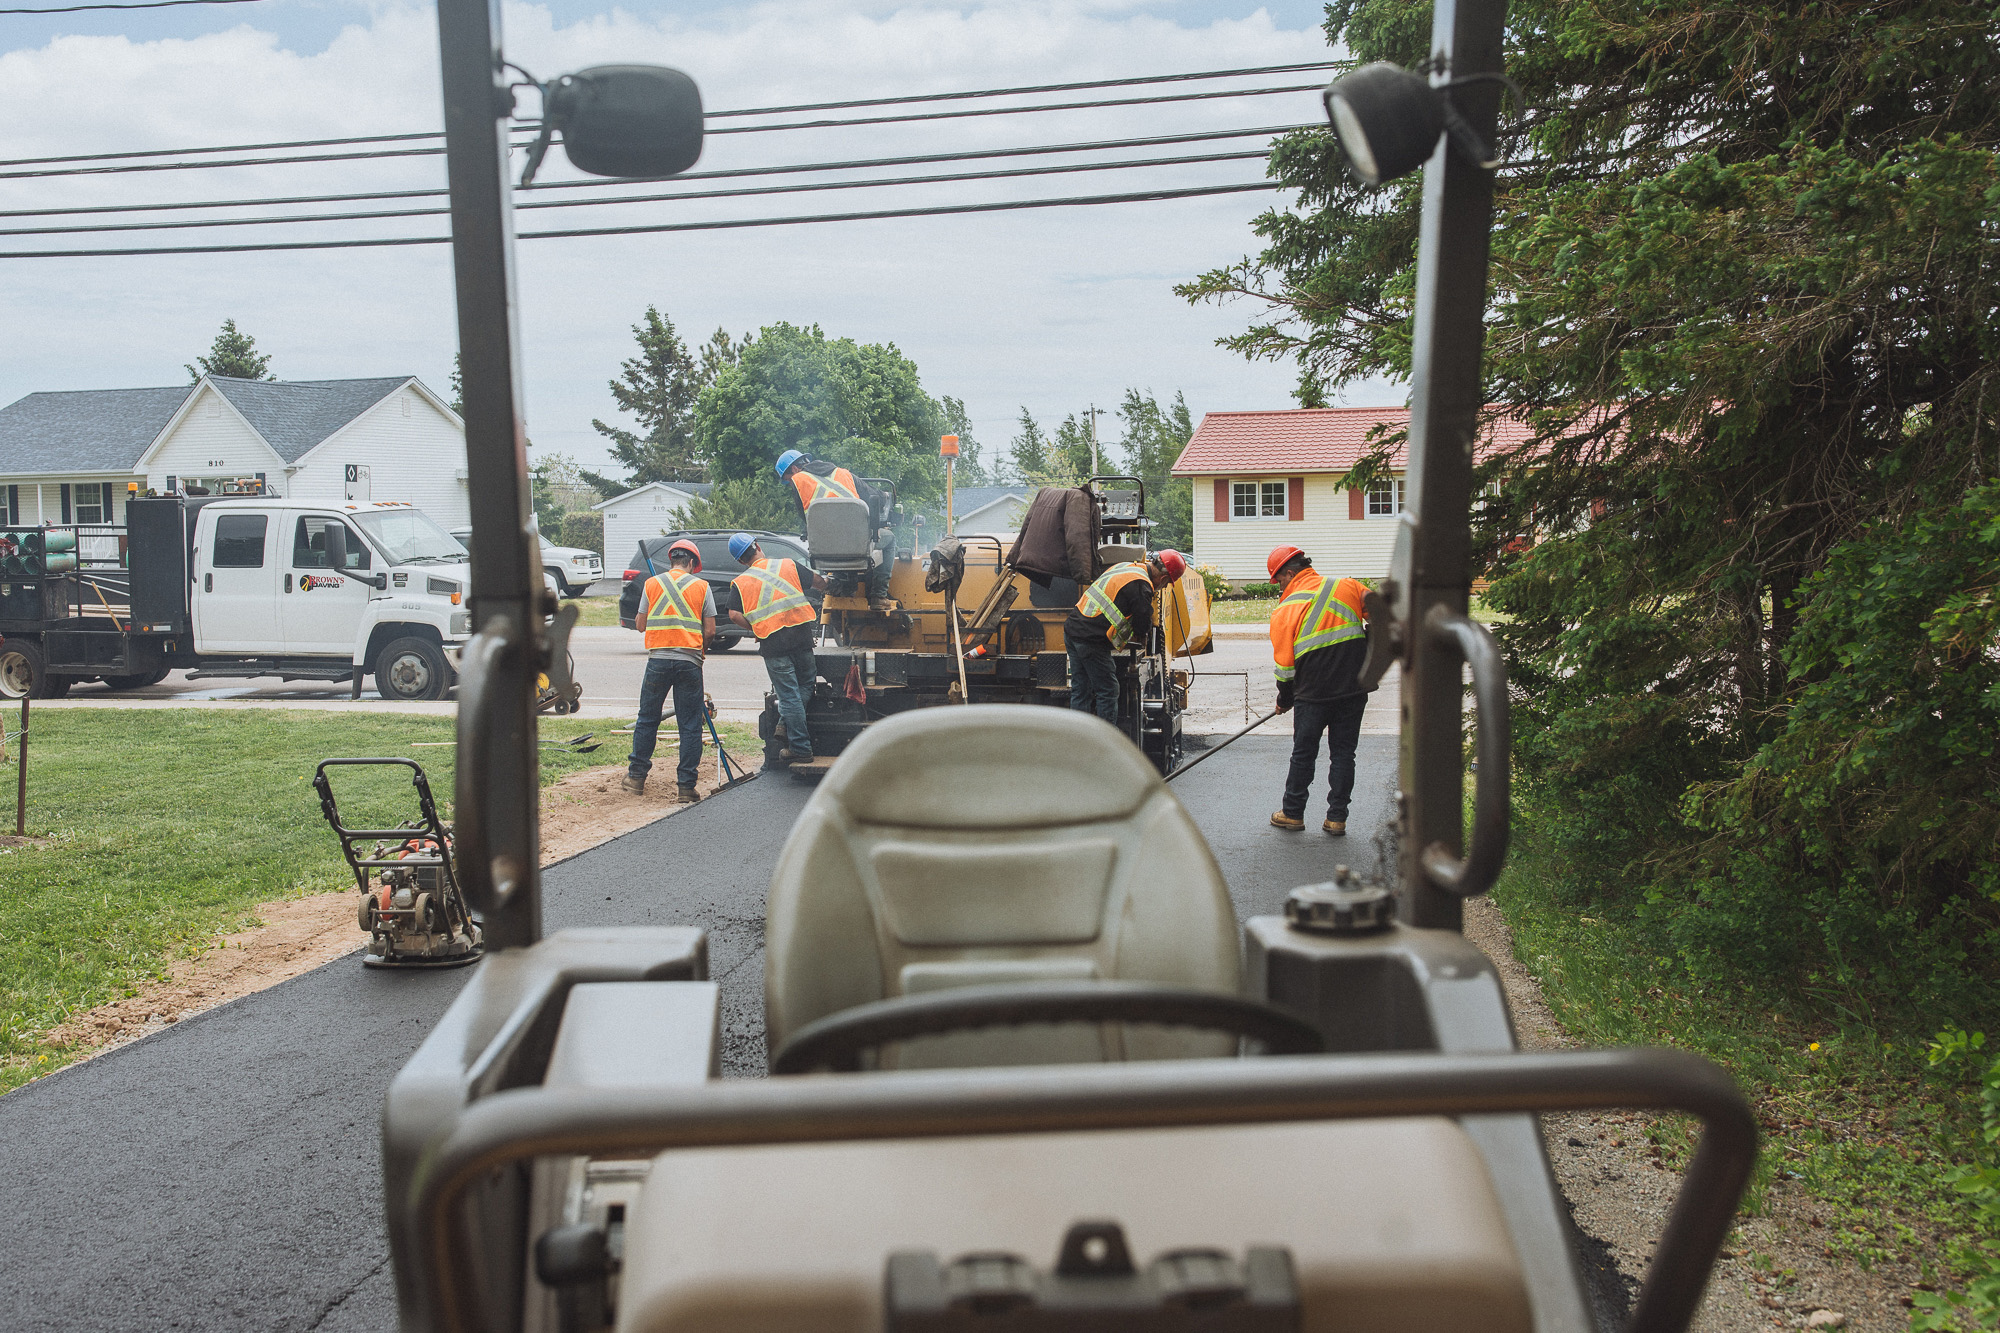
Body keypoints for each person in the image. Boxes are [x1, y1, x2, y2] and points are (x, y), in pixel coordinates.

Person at [1265, 544, 1372, 835]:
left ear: (1289, 573)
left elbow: (1285, 669)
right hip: (1353, 688)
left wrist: (1284, 700)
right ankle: (1337, 819)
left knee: (1303, 753)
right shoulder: (1347, 586)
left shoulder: (1284, 611)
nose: (1280, 587)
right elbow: (1384, 614)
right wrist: (1367, 645)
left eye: (1279, 581)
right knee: (1343, 754)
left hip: (1312, 694)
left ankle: (1292, 814)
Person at [624, 538, 715, 802]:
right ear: (691, 563)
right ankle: (686, 787)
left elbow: (640, 625)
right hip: (690, 661)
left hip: (658, 661)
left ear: (672, 560)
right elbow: (709, 630)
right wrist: (702, 650)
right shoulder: (702, 586)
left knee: (647, 719)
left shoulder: (653, 584)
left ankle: (636, 777)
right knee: (689, 726)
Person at [726, 531, 828, 766]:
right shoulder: (787, 565)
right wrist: (830, 584)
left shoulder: (741, 582)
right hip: (800, 638)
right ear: (757, 546)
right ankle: (795, 739)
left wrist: (755, 628)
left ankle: (793, 737)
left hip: (772, 643)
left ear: (741, 560)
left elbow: (733, 614)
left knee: (789, 696)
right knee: (805, 685)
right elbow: (818, 582)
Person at [1065, 549, 1187, 725]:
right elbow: (1142, 622)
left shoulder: (1127, 567)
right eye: (1167, 584)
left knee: (1081, 689)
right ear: (1164, 579)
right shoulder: (1142, 585)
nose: (1164, 587)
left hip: (1072, 631)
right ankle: (1105, 744)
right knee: (1108, 690)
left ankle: (1078, 739)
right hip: (1090, 640)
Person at [776, 449, 894, 607]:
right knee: (890, 538)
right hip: (857, 545)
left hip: (825, 550)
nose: (791, 482)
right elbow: (874, 496)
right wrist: (885, 497)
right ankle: (878, 596)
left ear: (794, 469)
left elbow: (806, 518)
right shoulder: (844, 474)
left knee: (839, 546)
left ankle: (847, 589)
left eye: (788, 480)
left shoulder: (799, 481)